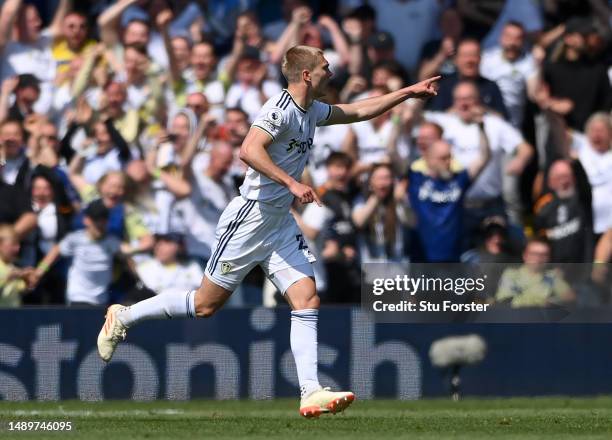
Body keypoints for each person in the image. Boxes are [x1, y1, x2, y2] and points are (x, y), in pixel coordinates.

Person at [96, 45, 439, 417]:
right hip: (250, 218)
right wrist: (292, 184)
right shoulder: (279, 109)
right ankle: (124, 316)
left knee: (307, 298)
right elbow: (248, 150)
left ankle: (310, 391)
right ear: (307, 75)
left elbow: (357, 111)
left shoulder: (312, 111)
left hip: (278, 223)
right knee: (205, 305)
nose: (331, 73)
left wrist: (406, 93)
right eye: (325, 68)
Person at [32, 199, 123, 306]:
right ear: (86, 220)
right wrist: (39, 271)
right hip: (78, 298)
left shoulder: (113, 243)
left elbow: (128, 254)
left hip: (102, 301)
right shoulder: (75, 239)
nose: (99, 223)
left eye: (103, 219)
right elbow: (56, 251)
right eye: (96, 219)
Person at [495, 236, 576, 308]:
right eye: (534, 254)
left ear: (548, 258)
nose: (538, 258)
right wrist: (543, 302)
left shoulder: (553, 276)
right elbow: (504, 301)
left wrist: (552, 302)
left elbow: (569, 298)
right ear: (525, 255)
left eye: (544, 254)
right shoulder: (511, 274)